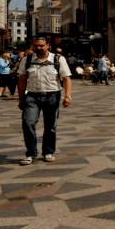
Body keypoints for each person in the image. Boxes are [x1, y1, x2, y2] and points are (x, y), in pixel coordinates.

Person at [17, 36, 73, 165]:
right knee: (28, 123)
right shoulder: (27, 59)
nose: (38, 48)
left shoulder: (58, 59)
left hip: (52, 96)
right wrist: (21, 99)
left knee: (50, 126)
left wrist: (67, 96)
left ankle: (48, 151)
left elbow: (66, 79)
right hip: (32, 96)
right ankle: (31, 153)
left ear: (48, 45)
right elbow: (22, 80)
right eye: (36, 45)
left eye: (41, 45)